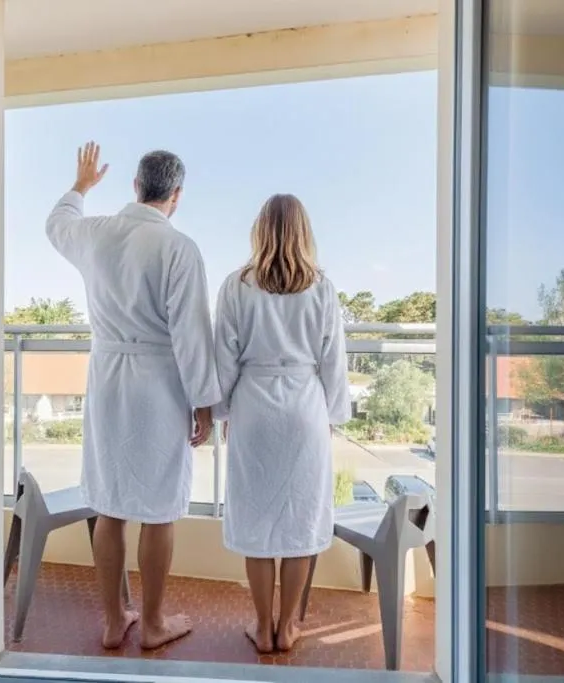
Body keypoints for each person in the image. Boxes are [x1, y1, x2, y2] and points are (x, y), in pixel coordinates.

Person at [46, 142, 220, 650]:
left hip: (106, 381)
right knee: (160, 506)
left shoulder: (95, 233)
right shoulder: (178, 248)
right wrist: (205, 401)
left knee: (110, 503)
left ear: (136, 186)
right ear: (177, 195)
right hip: (159, 385)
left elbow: (56, 223)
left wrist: (80, 185)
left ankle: (110, 619)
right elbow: (191, 334)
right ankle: (154, 622)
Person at [213, 194, 350, 653]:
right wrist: (329, 417)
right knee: (300, 522)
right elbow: (333, 362)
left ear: (260, 230)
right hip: (304, 408)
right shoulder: (322, 288)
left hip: (253, 406)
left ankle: (263, 624)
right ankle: (288, 626)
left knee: (256, 519)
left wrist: (225, 411)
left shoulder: (236, 285)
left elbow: (224, 359)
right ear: (303, 232)